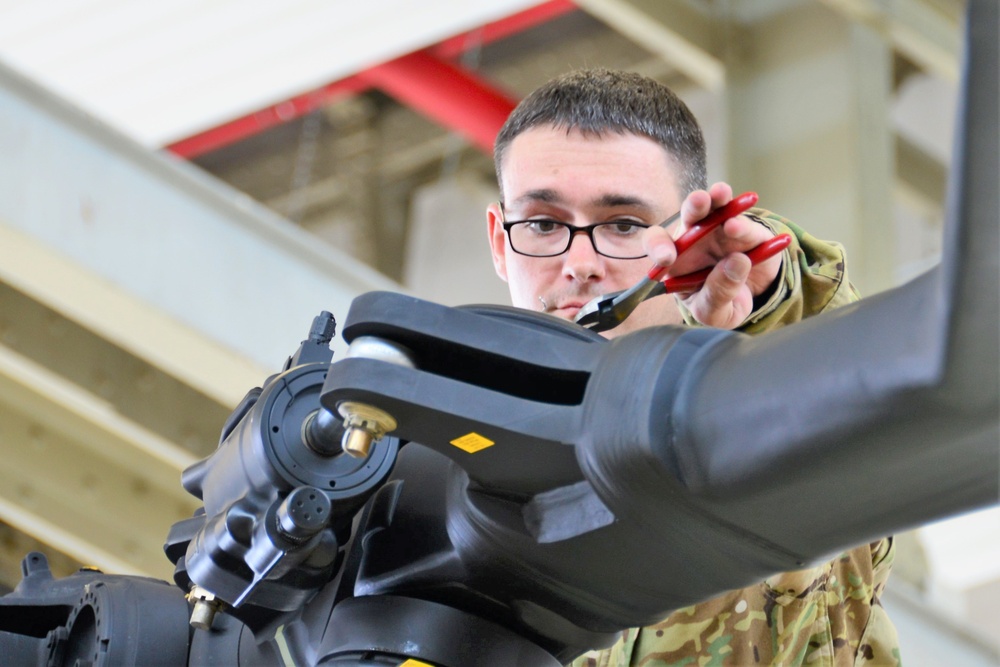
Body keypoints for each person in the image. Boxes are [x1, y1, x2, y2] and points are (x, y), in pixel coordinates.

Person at [485, 68, 899, 666]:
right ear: (501, 241)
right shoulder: (450, 476)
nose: (579, 263)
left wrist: (768, 292)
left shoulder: (748, 430)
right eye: (544, 224)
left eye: (624, 225)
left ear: (684, 236)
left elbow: (843, 378)